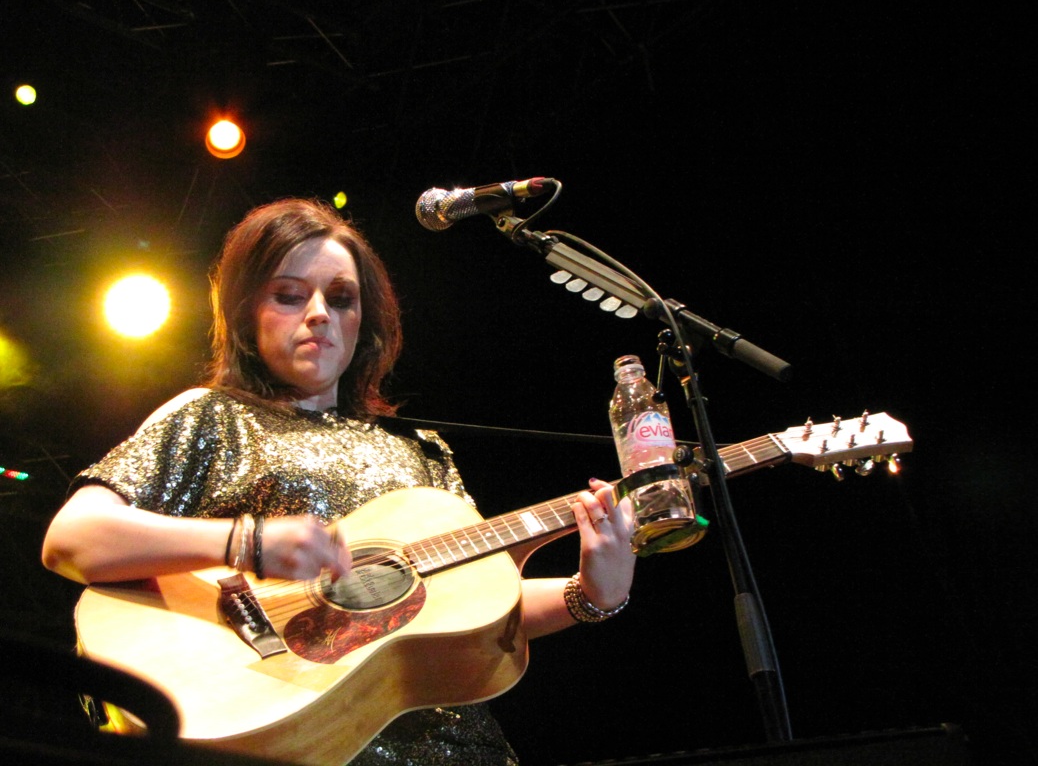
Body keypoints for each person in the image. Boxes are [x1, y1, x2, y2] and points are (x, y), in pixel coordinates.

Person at [41, 197, 637, 766]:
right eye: (288, 295)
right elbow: (73, 538)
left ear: (363, 323)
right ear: (247, 314)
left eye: (342, 298)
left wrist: (590, 594)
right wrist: (248, 542)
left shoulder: (419, 450)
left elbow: (472, 609)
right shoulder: (210, 415)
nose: (319, 313)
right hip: (287, 737)